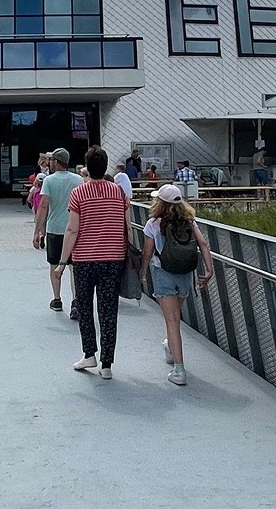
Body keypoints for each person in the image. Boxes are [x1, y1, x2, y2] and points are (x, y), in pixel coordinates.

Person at [60, 147, 130, 380]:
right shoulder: (118, 192)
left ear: (88, 167)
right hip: (113, 258)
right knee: (109, 310)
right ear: (106, 166)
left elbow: (72, 229)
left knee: (85, 306)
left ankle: (89, 353)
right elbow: (126, 227)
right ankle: (107, 364)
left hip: (85, 259)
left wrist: (62, 261)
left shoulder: (79, 193)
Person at [142, 184, 212, 386]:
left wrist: (142, 272)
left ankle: (179, 370)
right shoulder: (190, 222)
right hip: (184, 274)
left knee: (171, 321)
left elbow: (147, 252)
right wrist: (209, 270)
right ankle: (171, 348)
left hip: (163, 273)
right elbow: (203, 244)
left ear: (159, 203)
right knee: (176, 316)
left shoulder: (153, 223)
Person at [33, 149, 83, 313]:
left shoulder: (49, 181)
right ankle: (76, 301)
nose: (49, 163)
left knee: (54, 264)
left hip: (54, 229)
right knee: (73, 267)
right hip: (74, 229)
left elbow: (44, 206)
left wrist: (38, 231)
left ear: (56, 161)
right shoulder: (78, 180)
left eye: (51, 160)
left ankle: (57, 299)